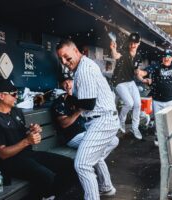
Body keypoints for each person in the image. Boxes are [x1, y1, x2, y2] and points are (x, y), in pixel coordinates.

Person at [0, 79, 78, 200]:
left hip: (28, 155)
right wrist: (27, 141)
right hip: (11, 162)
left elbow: (22, 133)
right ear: (1, 96)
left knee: (71, 165)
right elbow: (2, 153)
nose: (16, 97)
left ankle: (51, 196)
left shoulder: (16, 112)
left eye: (17, 94)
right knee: (47, 176)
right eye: (13, 94)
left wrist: (32, 130)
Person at [56, 39, 119, 200]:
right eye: (60, 59)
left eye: (66, 57)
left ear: (76, 51)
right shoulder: (82, 67)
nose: (64, 61)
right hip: (101, 120)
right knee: (92, 158)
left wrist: (70, 100)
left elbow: (89, 104)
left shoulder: (84, 69)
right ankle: (106, 187)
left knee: (82, 164)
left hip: (102, 120)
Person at [136, 48, 172, 146]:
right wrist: (138, 72)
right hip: (157, 100)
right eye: (165, 56)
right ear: (162, 58)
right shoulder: (156, 66)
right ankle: (158, 137)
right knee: (158, 121)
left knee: (170, 120)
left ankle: (170, 139)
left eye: (168, 56)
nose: (166, 58)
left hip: (170, 100)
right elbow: (144, 73)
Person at [110, 32, 143, 140]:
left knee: (138, 104)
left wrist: (143, 78)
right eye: (131, 42)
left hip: (130, 81)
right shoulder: (124, 52)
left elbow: (136, 72)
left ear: (139, 43)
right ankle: (121, 122)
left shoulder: (138, 56)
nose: (133, 45)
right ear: (129, 43)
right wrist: (113, 49)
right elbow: (116, 55)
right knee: (129, 103)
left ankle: (135, 127)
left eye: (135, 43)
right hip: (119, 82)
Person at [51, 72, 86, 149]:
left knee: (113, 140)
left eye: (70, 81)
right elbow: (64, 123)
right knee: (98, 145)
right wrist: (78, 111)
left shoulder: (78, 96)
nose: (68, 85)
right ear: (60, 85)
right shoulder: (59, 101)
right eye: (65, 82)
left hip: (84, 132)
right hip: (72, 137)